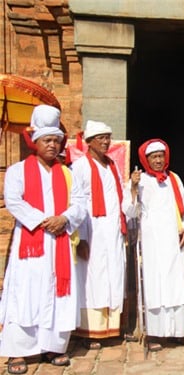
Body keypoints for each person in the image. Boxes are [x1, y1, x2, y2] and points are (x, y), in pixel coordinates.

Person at [0, 105, 86, 374]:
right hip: (32, 242)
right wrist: (42, 219)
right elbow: (13, 200)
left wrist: (64, 219)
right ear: (35, 142)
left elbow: (80, 204)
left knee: (57, 294)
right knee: (25, 293)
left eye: (56, 141)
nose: (52, 145)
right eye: (47, 140)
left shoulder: (68, 173)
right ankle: (18, 351)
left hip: (59, 241)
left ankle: (53, 347)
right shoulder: (17, 171)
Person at [122, 139, 184, 352]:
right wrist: (133, 187)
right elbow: (129, 211)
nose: (158, 160)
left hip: (174, 239)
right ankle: (154, 333)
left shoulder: (174, 179)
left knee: (177, 284)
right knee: (155, 286)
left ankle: (177, 332)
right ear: (146, 159)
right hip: (153, 241)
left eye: (161, 156)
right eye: (154, 157)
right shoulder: (140, 180)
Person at [71, 120, 127, 349]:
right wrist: (81, 237)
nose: (105, 142)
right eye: (100, 138)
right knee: (93, 279)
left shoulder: (112, 166)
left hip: (112, 232)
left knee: (113, 276)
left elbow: (120, 197)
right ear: (89, 142)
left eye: (108, 137)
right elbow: (77, 203)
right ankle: (91, 331)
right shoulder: (80, 167)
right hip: (92, 231)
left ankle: (111, 328)